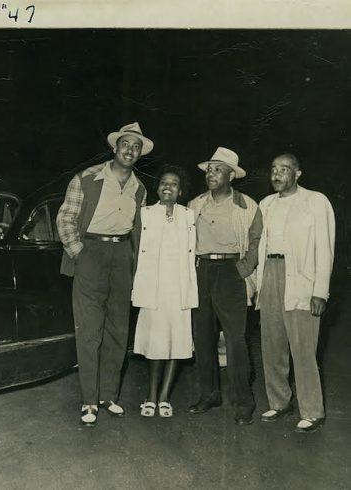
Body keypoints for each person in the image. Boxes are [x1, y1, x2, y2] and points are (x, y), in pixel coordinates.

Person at [57, 122, 151, 426]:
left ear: (139, 154)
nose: (130, 150)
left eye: (136, 147)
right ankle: (89, 402)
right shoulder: (86, 178)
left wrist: (136, 262)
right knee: (89, 332)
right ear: (115, 147)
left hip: (122, 256)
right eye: (125, 144)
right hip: (91, 253)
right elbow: (66, 218)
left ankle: (108, 396)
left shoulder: (140, 189)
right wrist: (79, 253)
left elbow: (141, 231)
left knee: (118, 331)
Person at [256, 153, 335, 433]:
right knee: (272, 345)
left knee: (303, 349)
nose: (278, 174)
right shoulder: (265, 204)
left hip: (301, 280)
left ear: (298, 173)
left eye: (285, 169)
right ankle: (279, 402)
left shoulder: (316, 201)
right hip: (270, 276)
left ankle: (312, 411)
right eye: (274, 169)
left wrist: (320, 291)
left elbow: (324, 249)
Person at [187, 147, 262, 426]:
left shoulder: (248, 206)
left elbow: (256, 243)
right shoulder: (195, 205)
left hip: (231, 272)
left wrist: (242, 270)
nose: (211, 173)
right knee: (202, 336)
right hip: (201, 270)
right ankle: (209, 394)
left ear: (231, 175)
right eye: (209, 169)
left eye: (217, 169)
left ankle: (244, 402)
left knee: (236, 340)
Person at [131, 165, 198, 418]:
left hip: (179, 289)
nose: (167, 187)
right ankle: (150, 396)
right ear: (157, 188)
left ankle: (164, 397)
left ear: (180, 191)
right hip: (153, 290)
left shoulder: (189, 215)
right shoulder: (144, 214)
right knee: (156, 344)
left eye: (173, 184)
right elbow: (136, 249)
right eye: (163, 183)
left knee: (177, 344)